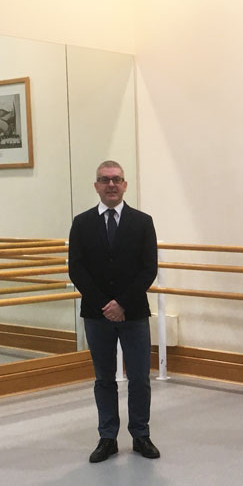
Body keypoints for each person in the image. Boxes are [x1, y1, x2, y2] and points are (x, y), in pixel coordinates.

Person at [67, 160, 160, 463]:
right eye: (105, 180)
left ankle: (140, 435)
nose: (111, 185)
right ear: (96, 186)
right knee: (103, 379)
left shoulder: (142, 222)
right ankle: (107, 438)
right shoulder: (81, 223)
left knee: (139, 378)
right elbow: (76, 269)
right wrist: (106, 306)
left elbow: (148, 269)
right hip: (97, 316)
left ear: (125, 185)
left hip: (133, 314)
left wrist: (122, 303)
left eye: (116, 179)